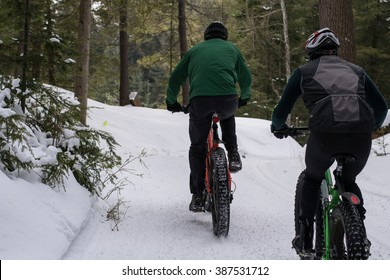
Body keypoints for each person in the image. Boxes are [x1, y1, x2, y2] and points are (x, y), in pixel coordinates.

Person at [270, 27, 388, 258]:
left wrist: (279, 126)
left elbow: (281, 111)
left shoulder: (303, 72)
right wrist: (372, 126)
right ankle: (358, 228)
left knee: (312, 178)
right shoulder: (358, 71)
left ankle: (304, 239)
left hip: (324, 137)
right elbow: (381, 108)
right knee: (349, 179)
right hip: (360, 138)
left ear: (312, 51)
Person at [166, 21, 252, 212]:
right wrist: (244, 98)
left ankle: (197, 195)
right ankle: (234, 153)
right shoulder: (232, 49)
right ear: (225, 36)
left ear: (206, 36)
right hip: (227, 100)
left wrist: (172, 101)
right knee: (228, 113)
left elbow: (175, 79)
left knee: (197, 148)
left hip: (200, 102)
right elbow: (246, 79)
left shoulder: (195, 50)